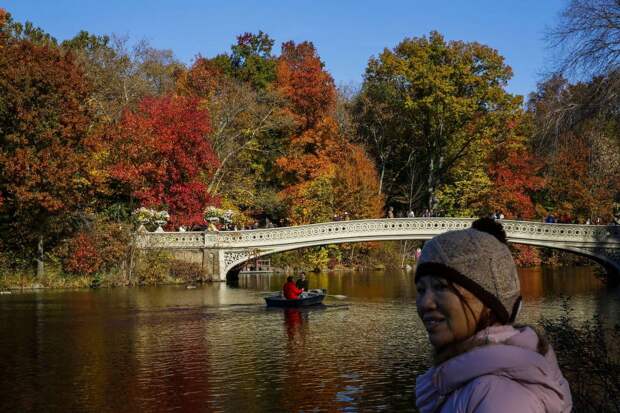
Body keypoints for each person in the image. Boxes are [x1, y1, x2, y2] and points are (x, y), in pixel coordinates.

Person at [415, 218, 572, 412]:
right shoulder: (472, 381)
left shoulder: (499, 397)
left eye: (441, 287)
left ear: (488, 300)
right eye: (421, 290)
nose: (425, 303)